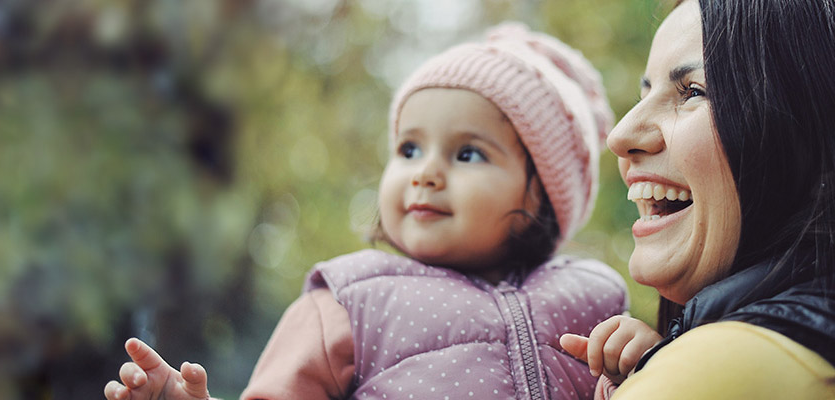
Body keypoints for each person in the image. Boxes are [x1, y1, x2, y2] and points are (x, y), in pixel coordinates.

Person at [103, 22, 626, 400]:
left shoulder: (595, 297)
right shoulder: (348, 301)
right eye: (408, 149)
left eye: (468, 153)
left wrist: (642, 353)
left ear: (543, 196)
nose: (425, 172)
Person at [559, 0, 835, 398]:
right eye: (646, 92)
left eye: (692, 91)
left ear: (811, 138)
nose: (619, 136)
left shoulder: (724, 370)